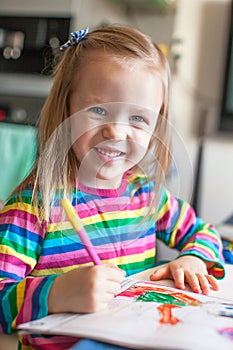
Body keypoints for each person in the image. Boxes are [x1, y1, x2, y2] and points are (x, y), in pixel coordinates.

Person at [0, 25, 225, 350]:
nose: (117, 132)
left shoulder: (145, 195)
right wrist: (57, 292)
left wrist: (193, 259)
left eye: (138, 119)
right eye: (99, 110)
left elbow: (204, 234)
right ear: (66, 109)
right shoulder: (33, 208)